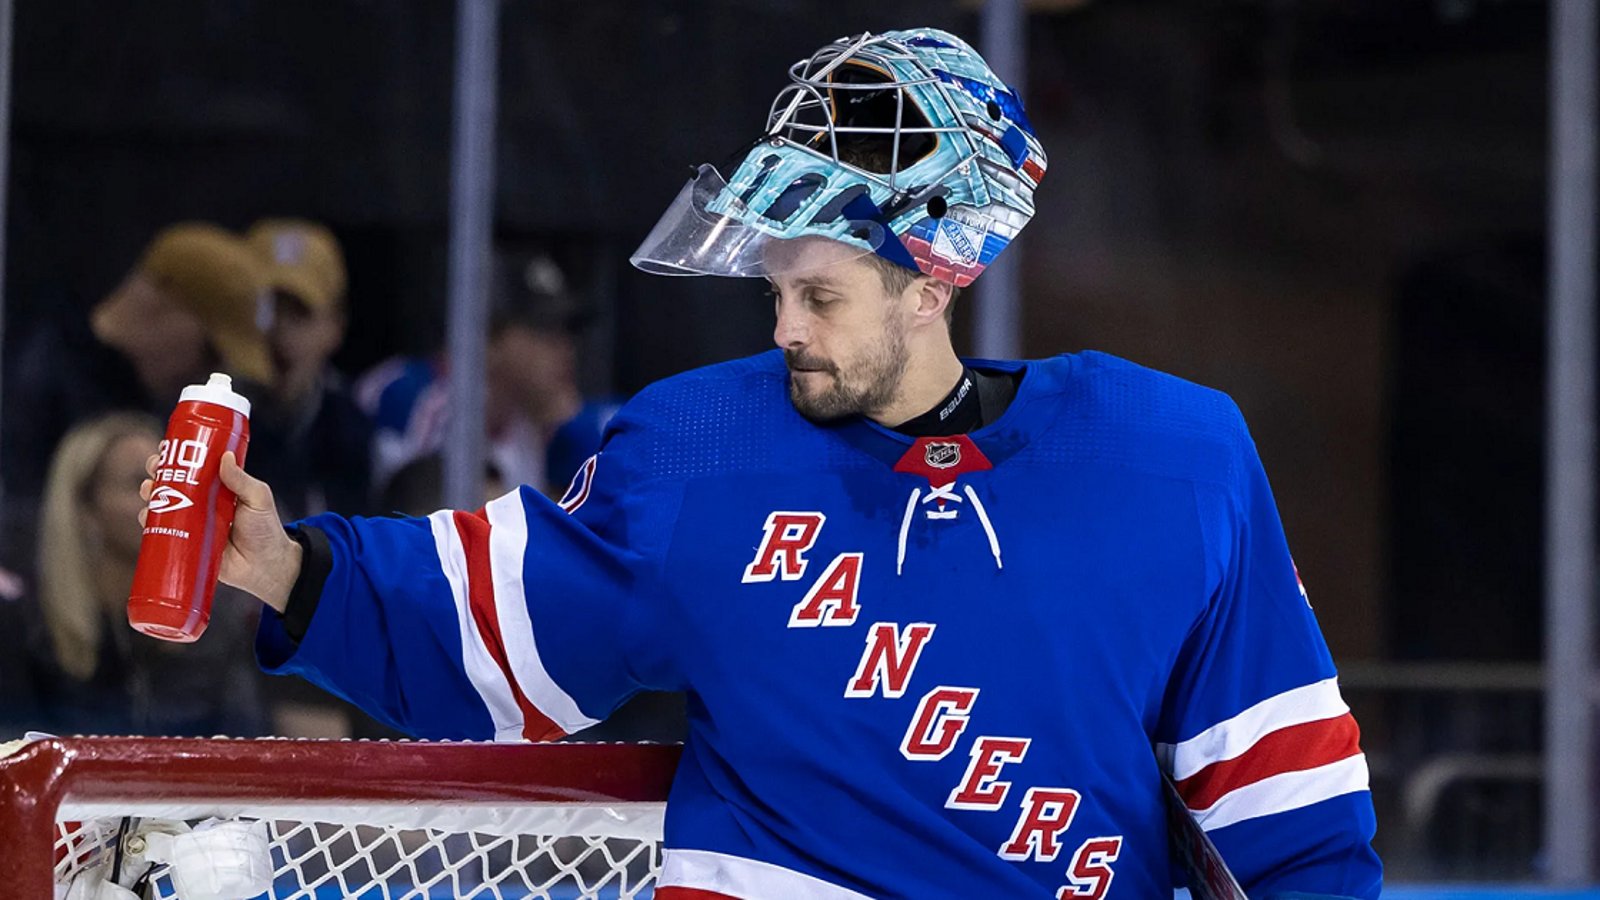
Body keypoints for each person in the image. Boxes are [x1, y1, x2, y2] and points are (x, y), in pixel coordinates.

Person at [145, 29, 1380, 898]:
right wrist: (283, 567)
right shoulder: (697, 453)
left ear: (933, 279)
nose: (783, 327)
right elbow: (484, 630)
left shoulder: (1172, 460)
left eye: (821, 294)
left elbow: (1286, 811)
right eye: (776, 288)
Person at [3, 222, 273, 508]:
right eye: (210, 352)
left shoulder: (132, 391)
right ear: (160, 305)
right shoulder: (30, 386)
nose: (205, 374)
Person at [37, 413, 267, 736]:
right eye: (139, 484)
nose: (158, 498)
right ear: (84, 507)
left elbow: (244, 746)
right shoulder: (28, 626)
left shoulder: (215, 627)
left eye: (168, 482)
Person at [242, 218, 375, 520]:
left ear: (336, 326)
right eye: (267, 310)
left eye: (299, 313)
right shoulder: (202, 418)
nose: (279, 331)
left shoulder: (351, 430)